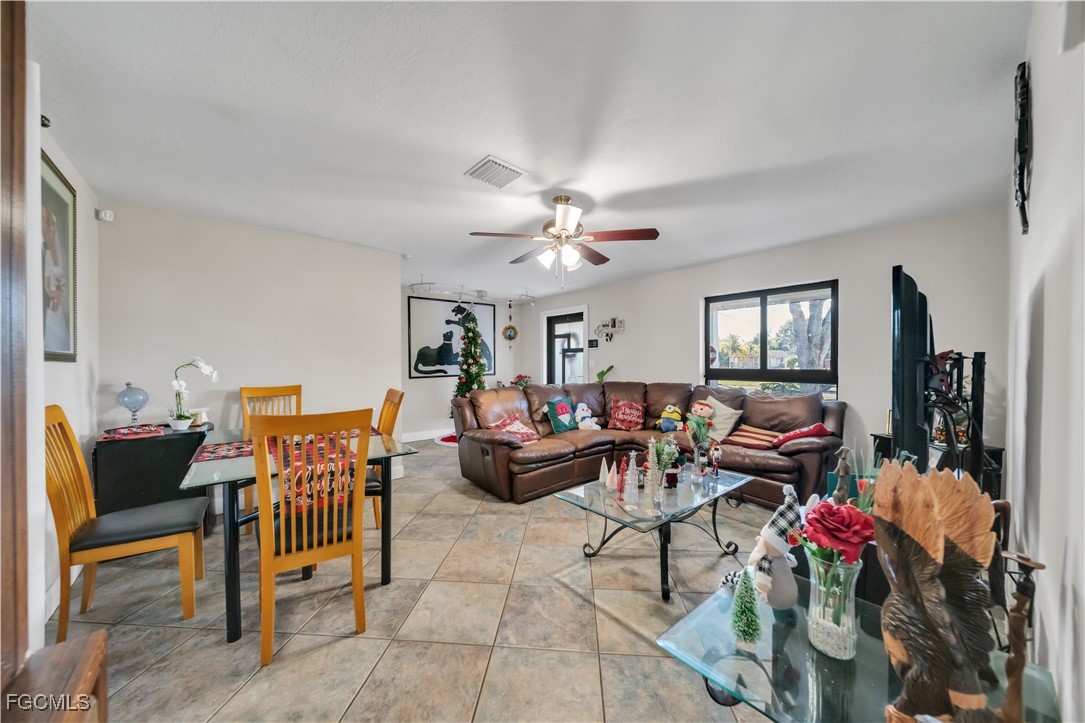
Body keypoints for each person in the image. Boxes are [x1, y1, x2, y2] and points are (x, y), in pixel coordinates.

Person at [43, 205, 69, 352]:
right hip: (51, 305)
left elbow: (61, 283)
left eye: (54, 231)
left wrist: (58, 294)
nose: (52, 234)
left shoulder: (54, 255)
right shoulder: (47, 254)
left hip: (55, 305)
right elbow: (47, 287)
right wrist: (55, 296)